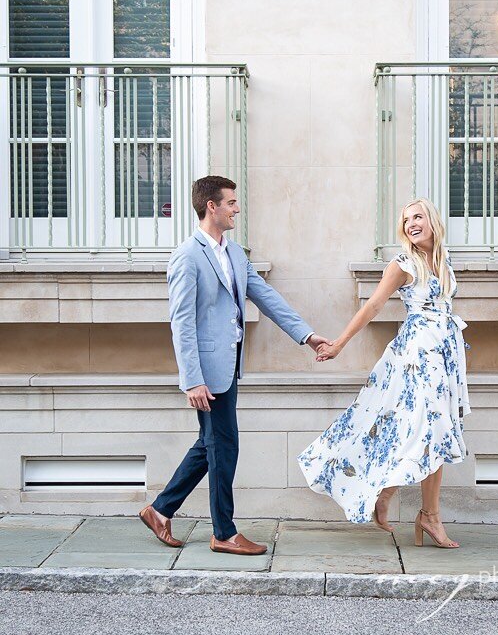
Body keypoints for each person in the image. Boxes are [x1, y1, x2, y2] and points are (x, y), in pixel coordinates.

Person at [140, 175, 329, 556]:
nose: (236, 208)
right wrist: (192, 380)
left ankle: (160, 511)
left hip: (228, 366)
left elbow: (266, 296)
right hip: (207, 373)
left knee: (212, 444)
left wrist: (307, 336)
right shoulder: (187, 256)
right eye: (230, 203)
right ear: (211, 206)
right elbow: (182, 323)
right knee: (223, 447)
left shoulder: (235, 252)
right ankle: (223, 532)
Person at [298, 198, 470, 549]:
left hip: (444, 353)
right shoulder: (402, 263)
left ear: (433, 220)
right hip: (418, 354)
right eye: (406, 220)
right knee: (425, 431)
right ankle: (409, 506)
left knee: (435, 433)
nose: (411, 224)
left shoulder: (443, 259)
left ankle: (413, 507)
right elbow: (374, 305)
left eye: (417, 216)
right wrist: (340, 344)